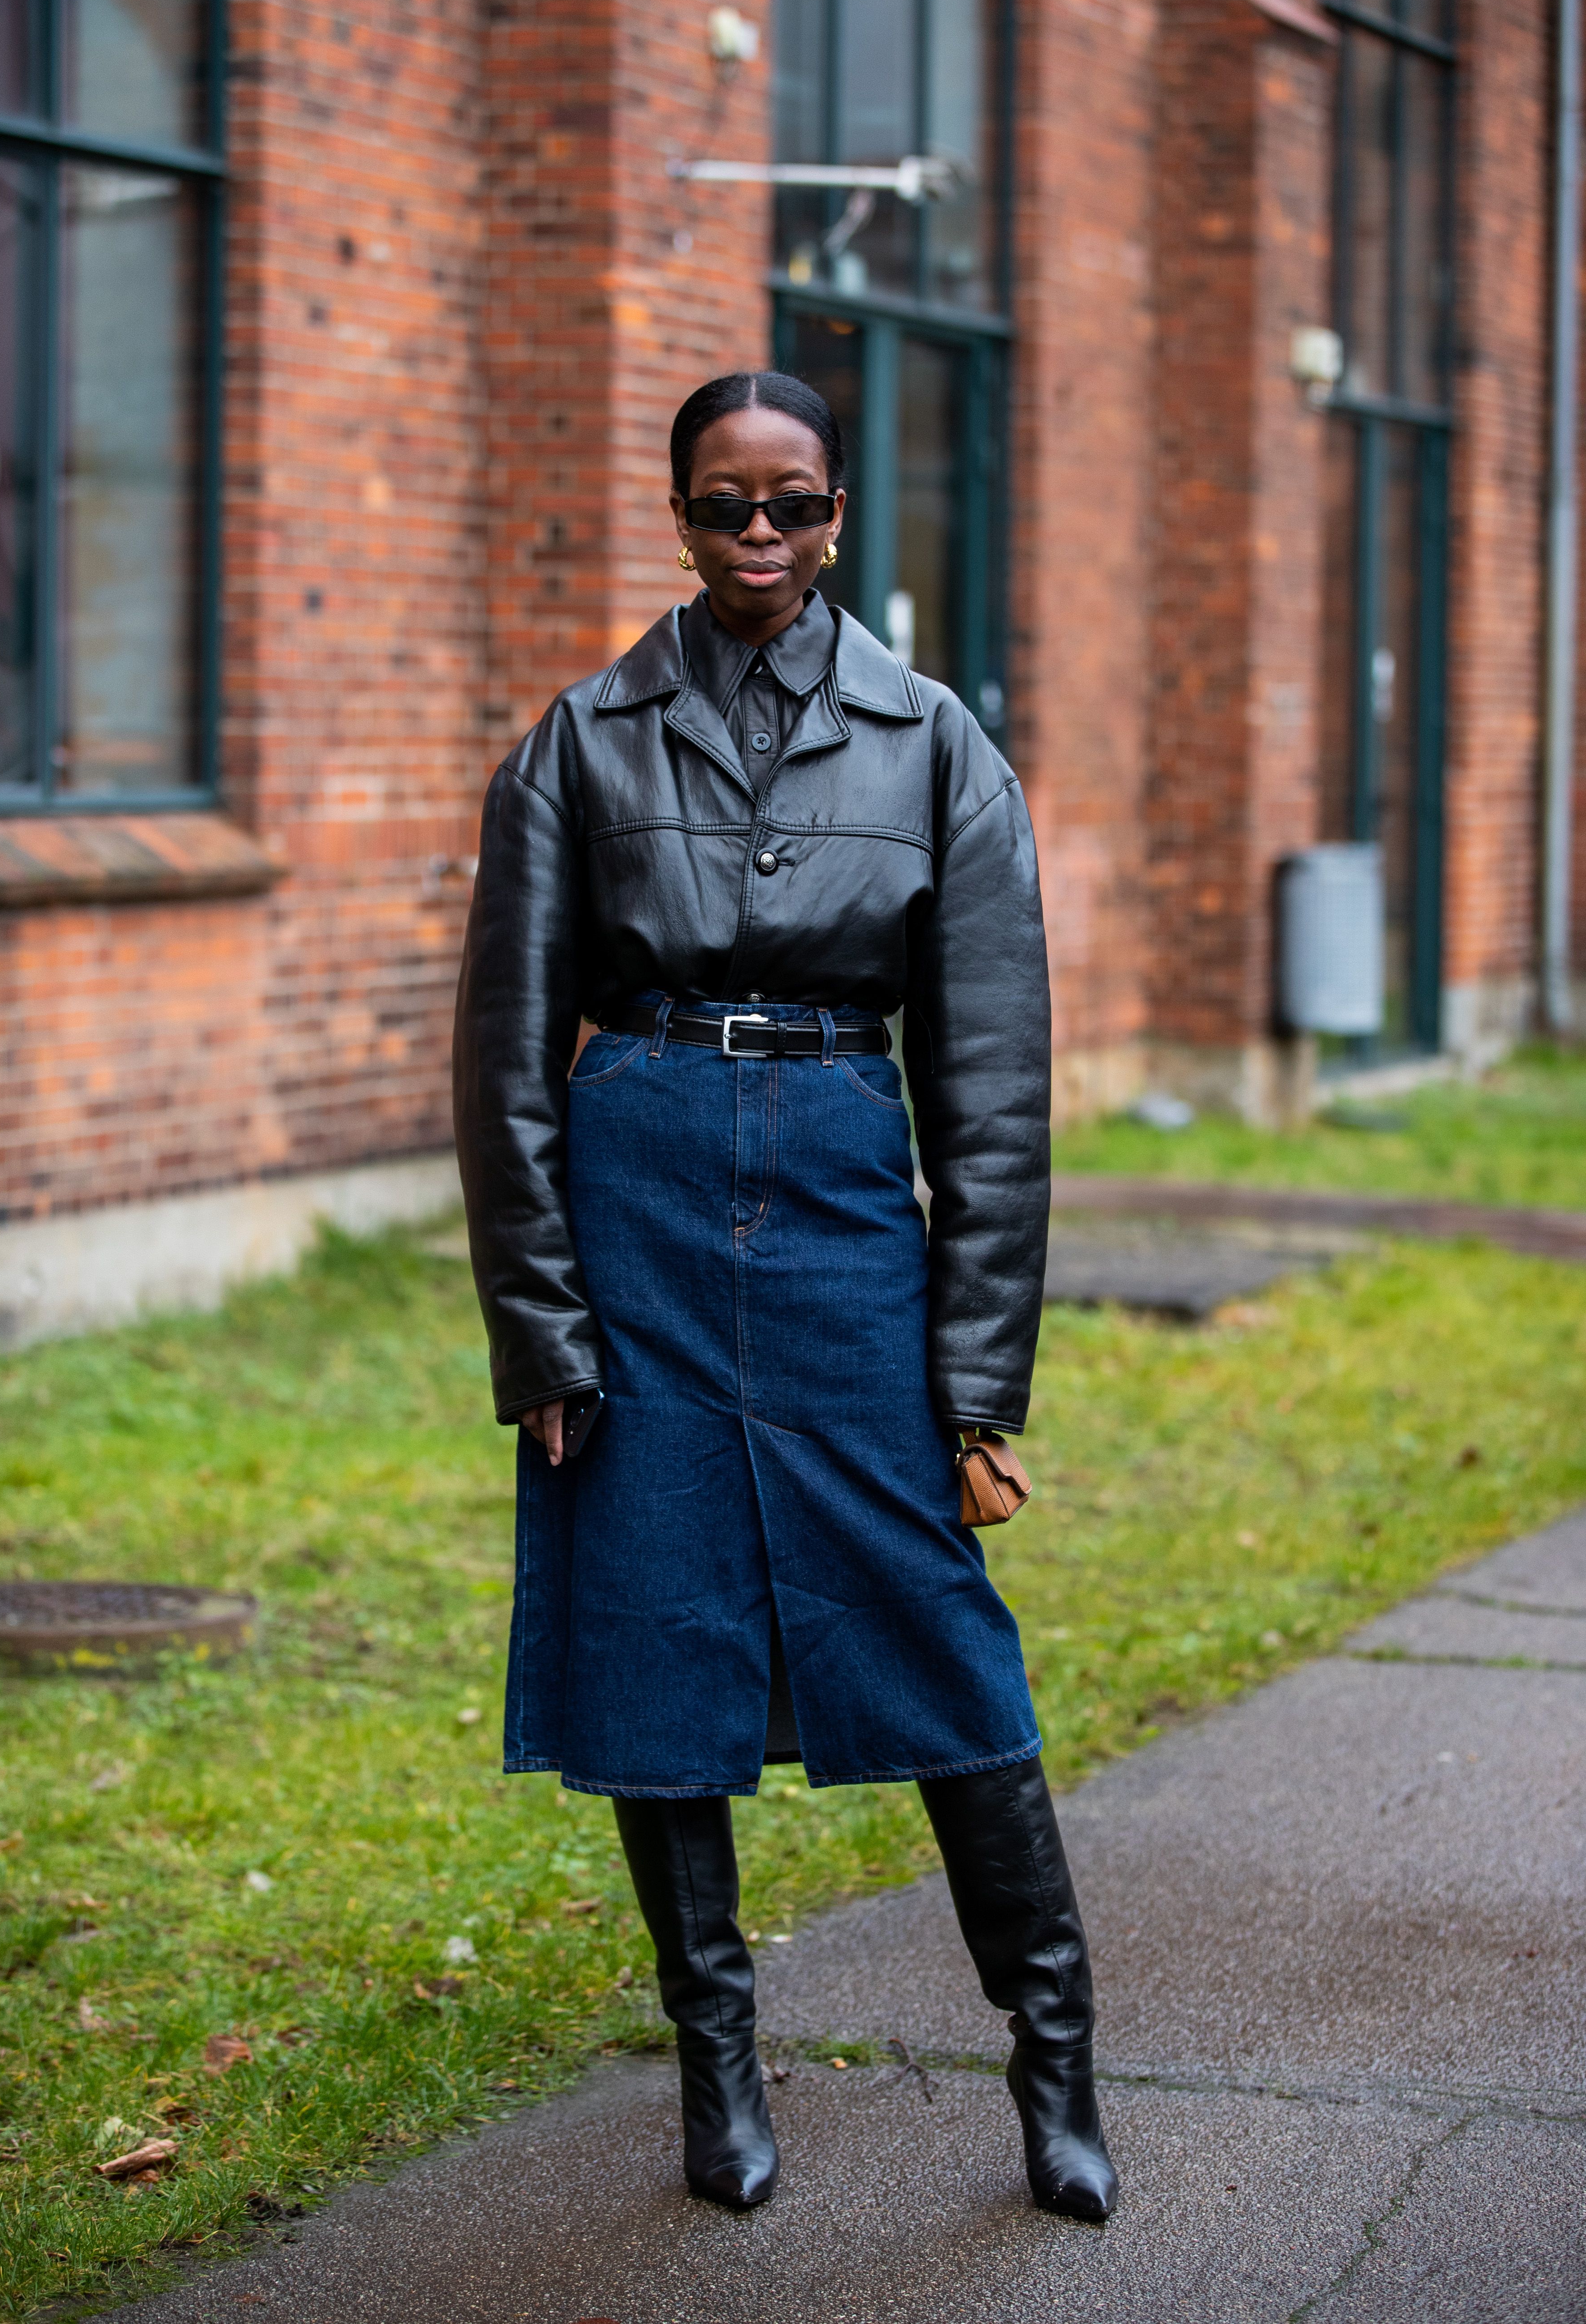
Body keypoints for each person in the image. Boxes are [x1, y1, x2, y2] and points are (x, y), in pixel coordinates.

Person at [453, 371, 1117, 2223]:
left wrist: (977, 1374)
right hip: (639, 1190)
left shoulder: (931, 745)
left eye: (796, 506)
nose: (761, 538)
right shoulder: (581, 742)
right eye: (725, 506)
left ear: (841, 516)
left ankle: (1054, 2061)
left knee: (935, 1630)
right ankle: (717, 2058)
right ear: (677, 511)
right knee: (654, 1631)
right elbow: (503, 1060)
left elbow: (993, 1081)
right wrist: (545, 1329)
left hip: (841, 1197)